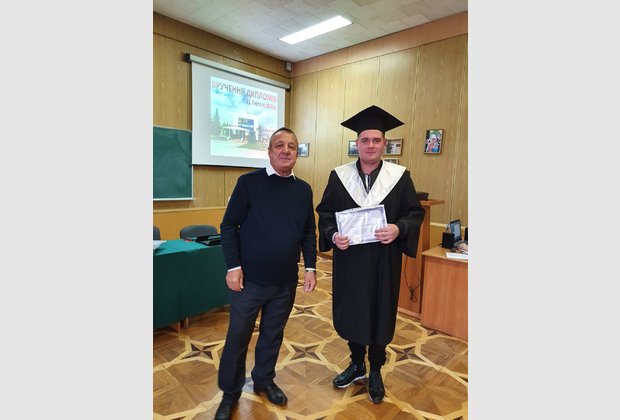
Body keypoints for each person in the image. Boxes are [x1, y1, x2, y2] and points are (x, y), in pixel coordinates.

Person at [316, 105, 425, 404]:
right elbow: (325, 214)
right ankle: (356, 363)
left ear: (384, 143)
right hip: (350, 260)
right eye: (365, 140)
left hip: (383, 260)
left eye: (377, 140)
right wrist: (332, 235)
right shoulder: (339, 177)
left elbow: (414, 213)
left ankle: (375, 369)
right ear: (357, 143)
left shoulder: (399, 177)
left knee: (380, 312)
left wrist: (399, 228)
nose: (371, 145)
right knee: (353, 311)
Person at [214, 127, 318, 420]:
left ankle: (263, 380)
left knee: (273, 335)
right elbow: (228, 226)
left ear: (297, 153)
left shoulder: (303, 190)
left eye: (292, 146)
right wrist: (233, 267)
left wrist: (310, 267)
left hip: (285, 282)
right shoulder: (248, 183)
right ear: (269, 151)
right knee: (238, 338)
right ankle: (230, 393)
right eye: (279, 145)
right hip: (249, 282)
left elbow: (308, 232)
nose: (286, 150)